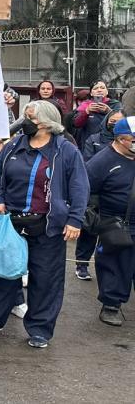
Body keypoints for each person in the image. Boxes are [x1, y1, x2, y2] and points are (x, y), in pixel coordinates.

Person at [0, 99, 88, 349]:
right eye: (26, 116)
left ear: (48, 123)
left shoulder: (66, 150)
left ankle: (39, 329)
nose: (26, 122)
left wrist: (75, 219)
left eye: (32, 118)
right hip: (12, 223)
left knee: (46, 278)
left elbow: (80, 187)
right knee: (2, 273)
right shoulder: (15, 145)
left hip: (48, 225)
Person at [87, 116, 135, 327]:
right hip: (115, 224)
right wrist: (95, 219)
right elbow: (84, 190)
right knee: (114, 265)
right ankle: (111, 304)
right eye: (132, 139)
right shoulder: (101, 161)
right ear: (119, 138)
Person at [76, 109, 126, 281]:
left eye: (120, 122)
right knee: (89, 233)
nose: (115, 125)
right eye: (113, 121)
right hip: (96, 197)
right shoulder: (94, 139)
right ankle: (81, 263)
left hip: (117, 205)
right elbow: (87, 163)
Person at [73, 80, 121, 145]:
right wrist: (86, 112)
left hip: (110, 142)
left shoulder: (115, 104)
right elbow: (76, 124)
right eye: (95, 88)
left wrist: (109, 112)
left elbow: (121, 123)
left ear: (107, 91)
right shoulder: (85, 105)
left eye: (102, 88)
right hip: (88, 142)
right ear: (91, 93)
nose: (99, 90)